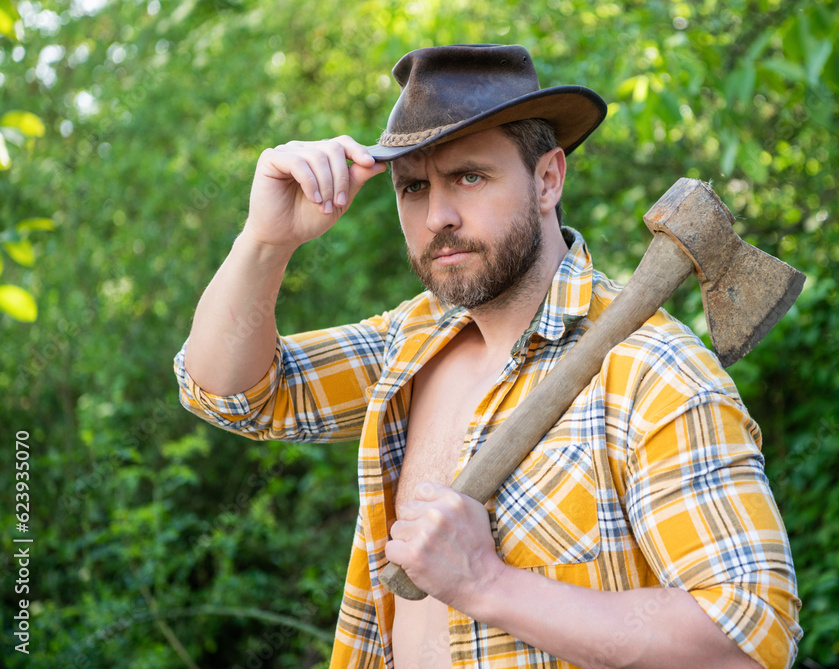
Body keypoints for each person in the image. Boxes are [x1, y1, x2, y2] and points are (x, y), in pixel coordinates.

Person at [174, 44, 802, 669]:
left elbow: (746, 643)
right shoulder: (414, 339)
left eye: (469, 177)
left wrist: (486, 584)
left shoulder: (652, 372)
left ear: (548, 178)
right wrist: (265, 240)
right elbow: (232, 393)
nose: (438, 216)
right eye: (413, 187)